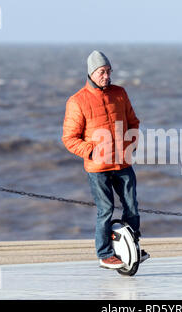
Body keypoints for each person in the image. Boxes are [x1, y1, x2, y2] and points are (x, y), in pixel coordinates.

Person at [62, 50, 149, 269]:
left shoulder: (120, 93)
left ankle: (134, 245)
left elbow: (133, 122)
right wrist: (92, 151)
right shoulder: (77, 101)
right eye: (102, 72)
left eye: (109, 71)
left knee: (132, 207)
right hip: (98, 167)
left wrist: (130, 145)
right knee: (106, 210)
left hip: (122, 163)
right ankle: (104, 253)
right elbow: (69, 139)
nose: (106, 75)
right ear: (92, 73)